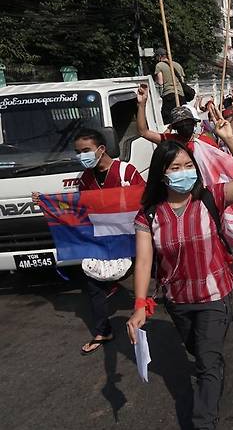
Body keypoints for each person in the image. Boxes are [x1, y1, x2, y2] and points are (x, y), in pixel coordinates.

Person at [126, 119, 233, 430]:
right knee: (199, 352)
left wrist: (230, 139)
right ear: (161, 174)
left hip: (215, 296)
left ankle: (204, 423)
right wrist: (139, 306)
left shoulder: (211, 198)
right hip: (178, 300)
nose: (183, 172)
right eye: (175, 168)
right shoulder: (148, 215)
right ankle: (210, 367)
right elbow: (144, 262)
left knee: (206, 363)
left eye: (188, 165)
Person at [33, 128, 145, 355]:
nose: (81, 156)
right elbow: (80, 211)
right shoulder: (85, 179)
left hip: (130, 240)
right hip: (102, 241)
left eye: (86, 150)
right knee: (92, 283)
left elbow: (144, 200)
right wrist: (47, 203)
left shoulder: (126, 172)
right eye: (78, 152)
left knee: (150, 272)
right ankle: (103, 330)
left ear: (101, 149)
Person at [153, 48, 186, 125]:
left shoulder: (159, 65)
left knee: (168, 120)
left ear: (159, 56)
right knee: (182, 118)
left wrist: (160, 95)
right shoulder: (177, 65)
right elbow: (183, 81)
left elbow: (160, 83)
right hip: (181, 95)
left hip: (169, 95)